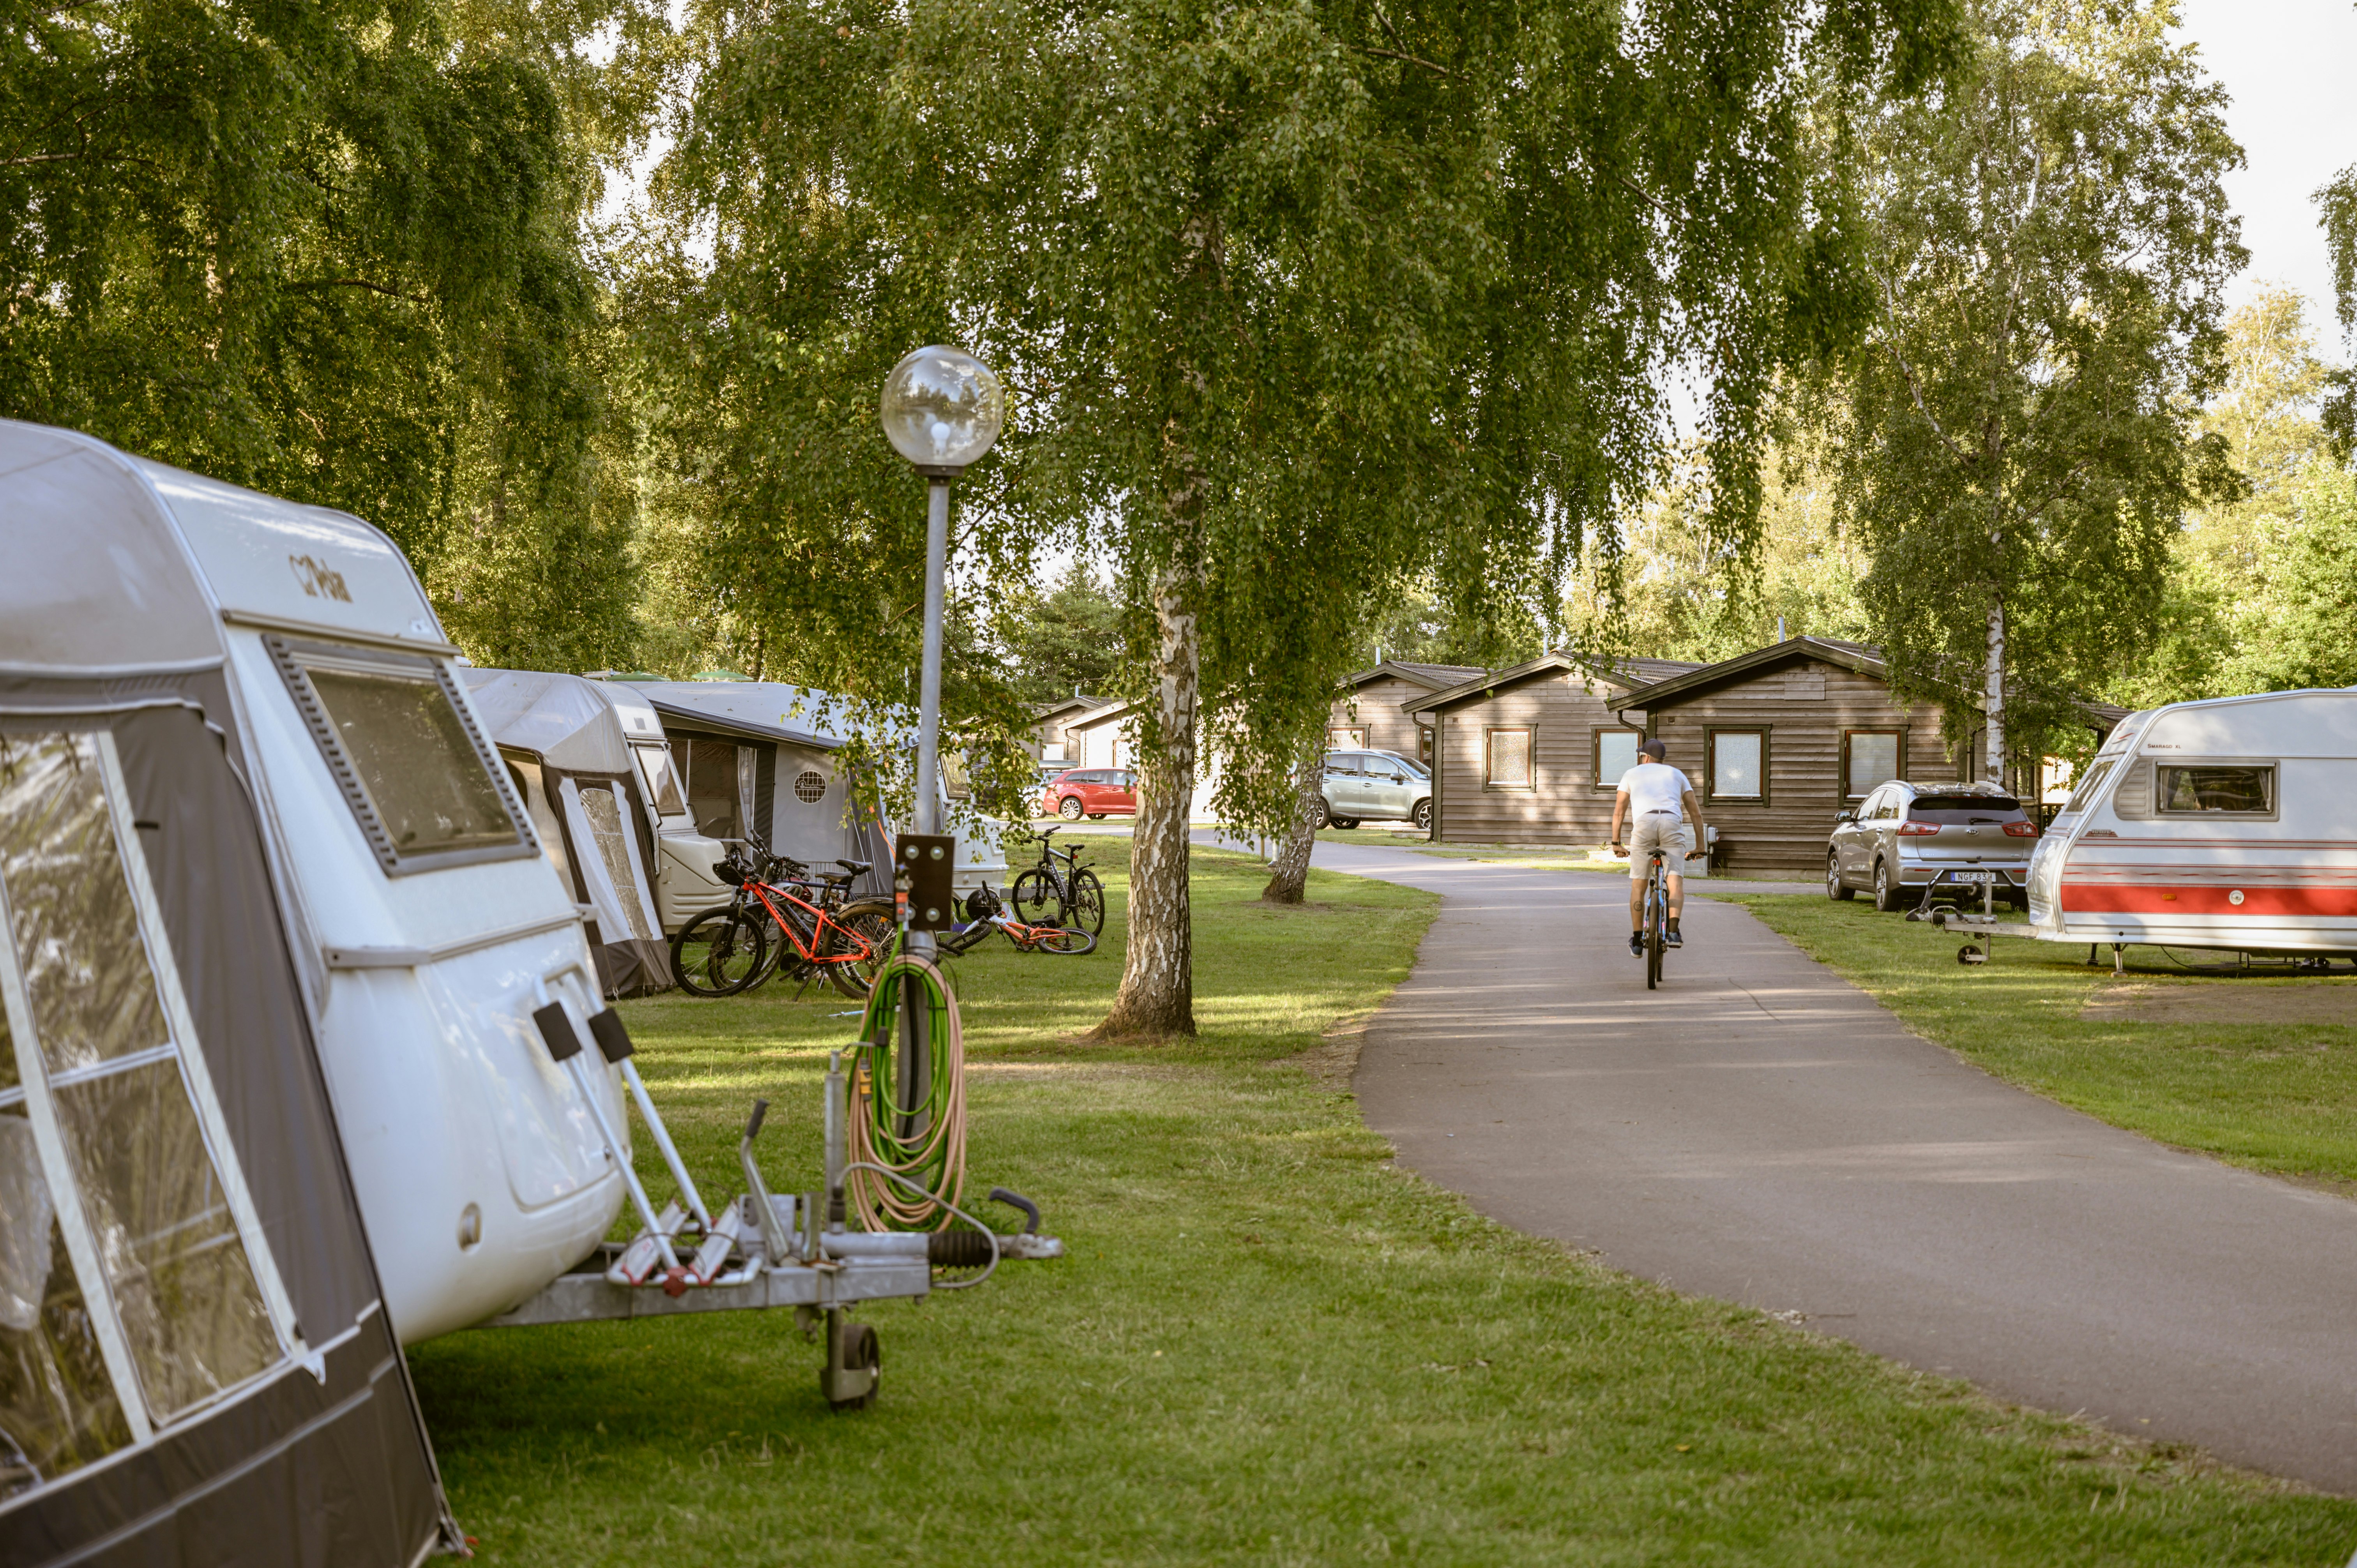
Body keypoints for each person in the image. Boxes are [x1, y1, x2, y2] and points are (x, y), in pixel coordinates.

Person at [1608, 738, 1708, 956]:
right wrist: (1700, 846)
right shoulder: (1677, 774)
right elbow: (1695, 813)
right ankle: (1673, 932)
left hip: (1644, 825)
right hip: (1672, 823)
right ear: (1661, 759)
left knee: (1639, 886)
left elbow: (1619, 811)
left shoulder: (1631, 774)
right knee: (1675, 882)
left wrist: (1617, 844)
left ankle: (1636, 940)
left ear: (1645, 757)